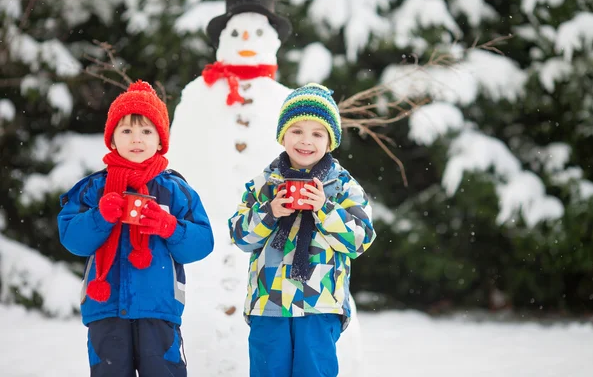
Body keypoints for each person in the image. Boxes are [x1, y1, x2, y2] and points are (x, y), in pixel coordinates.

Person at [57, 80, 214, 377]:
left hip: (159, 310)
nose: (136, 139)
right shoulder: (94, 188)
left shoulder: (175, 190)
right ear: (113, 139)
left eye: (146, 131)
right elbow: (73, 239)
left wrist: (168, 226)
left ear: (160, 140)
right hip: (106, 311)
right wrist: (100, 216)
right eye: (126, 130)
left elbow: (203, 241)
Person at [228, 82, 376, 377]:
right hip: (268, 304)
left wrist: (324, 209)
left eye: (317, 134)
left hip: (320, 305)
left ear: (330, 141)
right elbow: (239, 236)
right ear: (282, 135)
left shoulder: (343, 187)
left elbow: (360, 240)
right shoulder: (263, 184)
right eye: (297, 131)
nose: (306, 141)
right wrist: (270, 212)